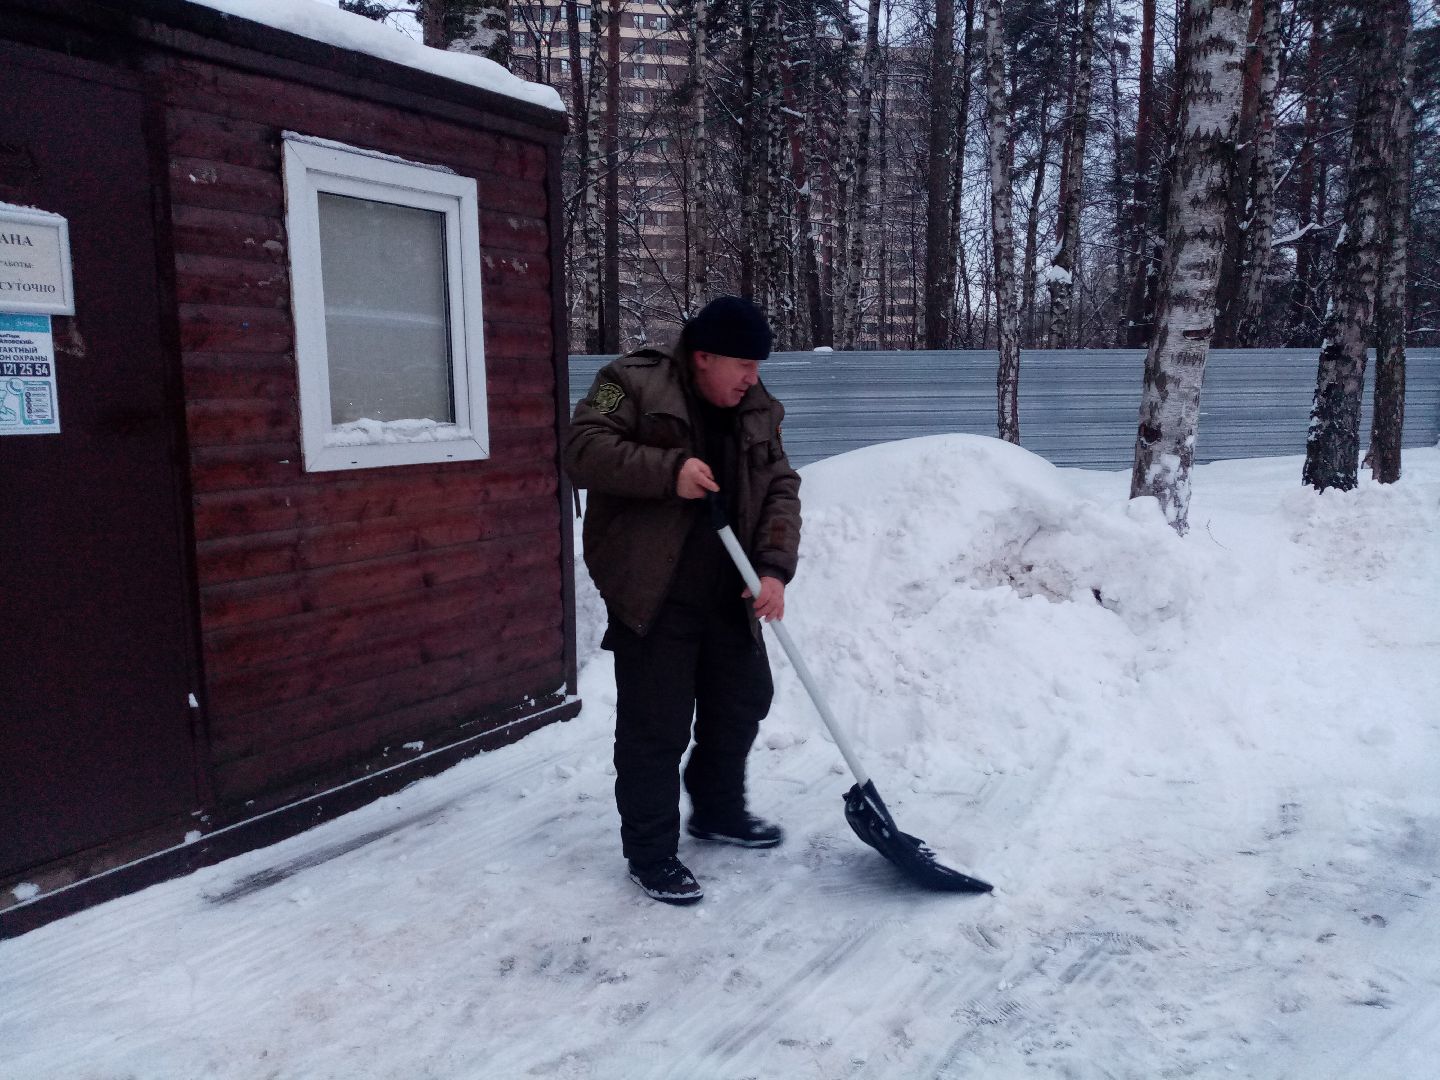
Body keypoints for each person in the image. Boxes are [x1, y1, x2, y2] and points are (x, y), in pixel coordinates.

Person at [564, 295, 802, 905]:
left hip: (730, 589)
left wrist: (773, 568)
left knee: (743, 701)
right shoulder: (630, 382)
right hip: (654, 591)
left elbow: (780, 485)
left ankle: (717, 810)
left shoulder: (758, 409)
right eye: (743, 364)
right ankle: (650, 854)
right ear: (703, 357)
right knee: (656, 727)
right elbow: (582, 450)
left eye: (757, 366)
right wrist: (668, 471)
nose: (752, 377)